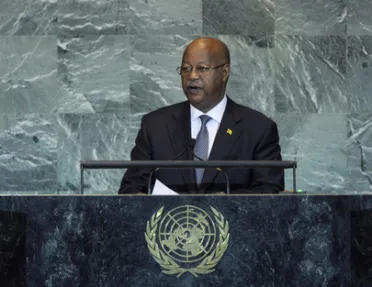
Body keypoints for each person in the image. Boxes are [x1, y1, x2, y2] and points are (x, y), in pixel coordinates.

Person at [118, 37, 284, 194]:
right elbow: (131, 188)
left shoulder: (258, 129)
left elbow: (269, 191)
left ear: (224, 72)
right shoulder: (155, 125)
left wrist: (227, 203)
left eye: (202, 69)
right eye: (186, 69)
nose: (192, 76)